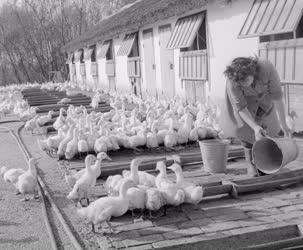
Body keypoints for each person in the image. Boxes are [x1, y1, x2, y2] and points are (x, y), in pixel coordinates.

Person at [224, 57, 291, 176]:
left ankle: (266, 160)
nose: (244, 84)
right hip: (246, 103)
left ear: (252, 72)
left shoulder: (266, 68)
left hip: (265, 100)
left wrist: (284, 124)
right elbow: (241, 108)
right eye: (241, 83)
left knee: (270, 128)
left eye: (246, 80)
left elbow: (277, 97)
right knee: (245, 128)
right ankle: (250, 163)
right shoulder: (232, 82)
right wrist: (254, 127)